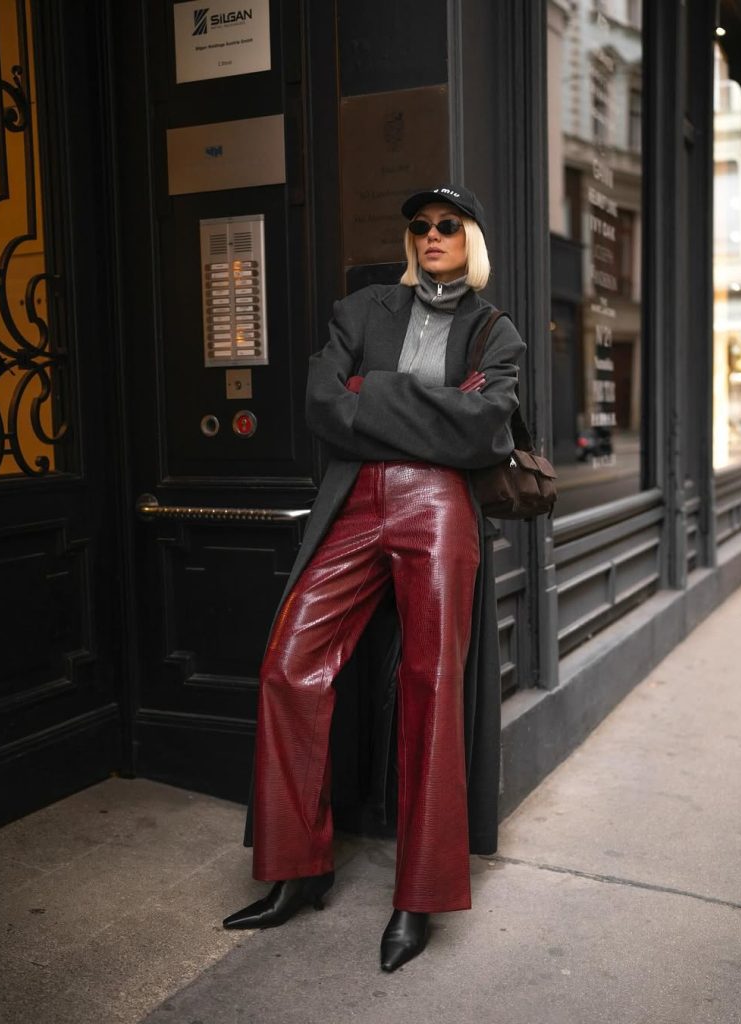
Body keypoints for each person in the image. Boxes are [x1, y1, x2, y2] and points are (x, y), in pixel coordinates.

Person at [223, 184, 526, 972]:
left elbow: (485, 428)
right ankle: (297, 869)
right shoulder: (359, 312)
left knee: (432, 691)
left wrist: (375, 396)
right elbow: (323, 403)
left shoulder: (495, 332)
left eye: (447, 226)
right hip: (354, 502)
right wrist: (431, 407)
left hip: (438, 510)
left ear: (471, 241)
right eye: (420, 226)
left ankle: (417, 897)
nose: (430, 235)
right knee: (290, 666)